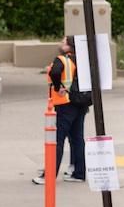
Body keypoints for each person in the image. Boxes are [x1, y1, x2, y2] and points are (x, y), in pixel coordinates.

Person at [33, 36, 89, 184]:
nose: (61, 43)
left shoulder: (61, 59)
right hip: (81, 103)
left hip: (64, 104)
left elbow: (55, 72)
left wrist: (58, 87)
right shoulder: (84, 60)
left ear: (68, 46)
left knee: (56, 140)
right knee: (77, 139)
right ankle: (79, 173)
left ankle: (49, 175)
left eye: (63, 42)